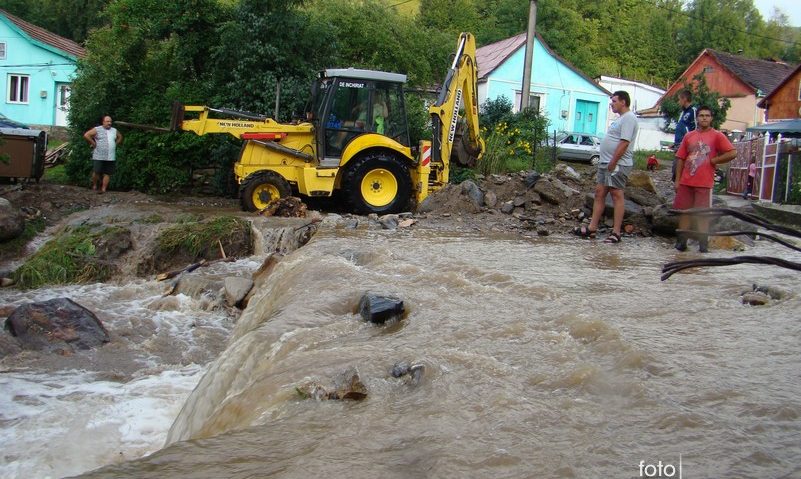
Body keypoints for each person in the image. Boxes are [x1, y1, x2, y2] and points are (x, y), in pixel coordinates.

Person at [573, 90, 639, 244]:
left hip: (617, 164)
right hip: (606, 162)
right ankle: (592, 228)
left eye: (614, 101)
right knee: (599, 193)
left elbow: (624, 142)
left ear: (623, 101)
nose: (612, 104)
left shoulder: (629, 118)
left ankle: (616, 232)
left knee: (616, 194)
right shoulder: (620, 119)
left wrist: (614, 161)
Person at [673, 106, 737, 252]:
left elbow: (732, 152)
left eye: (707, 115)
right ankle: (681, 242)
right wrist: (677, 180)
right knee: (684, 212)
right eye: (701, 115)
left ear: (711, 118)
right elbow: (680, 158)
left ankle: (703, 245)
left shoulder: (717, 135)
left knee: (703, 214)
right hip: (686, 181)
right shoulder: (689, 136)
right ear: (697, 118)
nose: (704, 118)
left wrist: (714, 161)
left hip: (704, 182)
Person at [83, 115, 122, 194]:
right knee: (96, 171)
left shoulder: (114, 130)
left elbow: (120, 137)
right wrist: (93, 143)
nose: (109, 123)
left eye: (110, 121)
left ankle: (103, 189)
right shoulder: (97, 129)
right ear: (103, 122)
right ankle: (94, 185)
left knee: (108, 173)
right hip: (99, 155)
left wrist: (115, 144)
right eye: (107, 121)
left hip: (110, 156)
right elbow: (86, 135)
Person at [671, 89, 697, 182]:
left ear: (684, 99)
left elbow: (696, 128)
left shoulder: (693, 111)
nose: (679, 102)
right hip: (678, 145)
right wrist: (675, 143)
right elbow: (681, 128)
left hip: (687, 146)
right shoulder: (682, 113)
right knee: (675, 171)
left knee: (682, 171)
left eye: (679, 99)